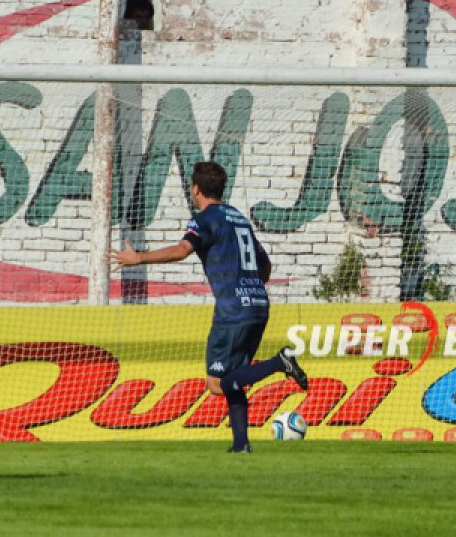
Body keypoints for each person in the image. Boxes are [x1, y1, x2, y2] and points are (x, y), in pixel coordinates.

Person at [110, 161, 308, 454]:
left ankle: (280, 362)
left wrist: (138, 258)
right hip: (258, 304)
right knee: (235, 378)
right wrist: (251, 284)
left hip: (232, 309)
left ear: (196, 189)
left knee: (217, 384)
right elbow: (265, 265)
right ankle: (241, 444)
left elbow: (182, 250)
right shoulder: (239, 218)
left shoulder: (203, 219)